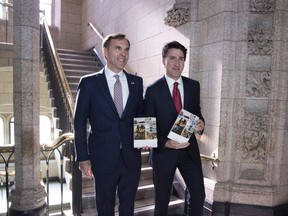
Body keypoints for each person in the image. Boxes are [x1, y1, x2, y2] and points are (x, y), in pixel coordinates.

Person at [73, 33, 144, 215]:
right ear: (105, 52)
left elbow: (140, 115)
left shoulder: (137, 82)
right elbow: (79, 123)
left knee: (128, 207)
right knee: (105, 207)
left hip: (131, 158)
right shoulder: (89, 83)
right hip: (102, 157)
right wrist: (82, 157)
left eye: (126, 49)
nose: (123, 54)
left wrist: (145, 139)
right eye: (118, 48)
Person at [144, 41, 206, 215]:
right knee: (161, 203)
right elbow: (147, 131)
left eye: (181, 59)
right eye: (172, 58)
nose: (177, 63)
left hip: (189, 152)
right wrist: (166, 143)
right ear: (163, 60)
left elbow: (196, 112)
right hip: (164, 154)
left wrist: (200, 123)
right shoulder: (152, 91)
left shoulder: (194, 86)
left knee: (199, 196)